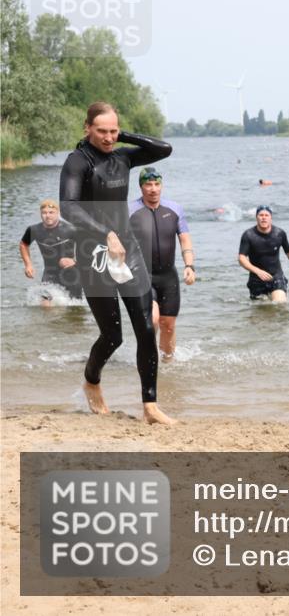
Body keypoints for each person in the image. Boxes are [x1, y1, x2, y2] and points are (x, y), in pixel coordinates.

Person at [59, 101, 176, 425]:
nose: (109, 138)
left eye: (114, 131)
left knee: (146, 328)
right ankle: (91, 381)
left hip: (128, 251)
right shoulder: (77, 162)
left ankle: (150, 406)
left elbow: (164, 149)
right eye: (102, 131)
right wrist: (106, 233)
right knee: (113, 336)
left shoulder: (123, 157)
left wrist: (122, 134)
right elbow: (69, 207)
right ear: (87, 128)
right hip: (93, 255)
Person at [128, 167, 196, 360]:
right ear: (141, 187)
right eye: (148, 185)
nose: (153, 189)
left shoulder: (174, 209)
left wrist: (189, 266)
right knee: (154, 319)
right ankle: (150, 360)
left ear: (161, 186)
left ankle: (168, 363)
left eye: (157, 184)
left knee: (169, 325)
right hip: (142, 275)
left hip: (168, 276)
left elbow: (185, 239)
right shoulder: (130, 210)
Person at [19, 199, 83, 304]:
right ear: (40, 214)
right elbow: (23, 244)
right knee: (45, 303)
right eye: (44, 213)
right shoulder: (34, 230)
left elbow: (88, 248)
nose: (47, 216)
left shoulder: (70, 229)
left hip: (71, 274)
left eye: (51, 212)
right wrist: (28, 265)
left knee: (75, 307)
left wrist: (75, 261)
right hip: (49, 273)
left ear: (58, 213)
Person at [238, 205, 289, 302]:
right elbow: (241, 258)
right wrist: (258, 271)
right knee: (260, 309)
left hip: (276, 276)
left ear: (271, 218)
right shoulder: (248, 235)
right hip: (256, 279)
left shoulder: (279, 233)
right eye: (261, 215)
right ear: (256, 217)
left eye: (266, 215)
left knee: (279, 304)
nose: (264, 218)